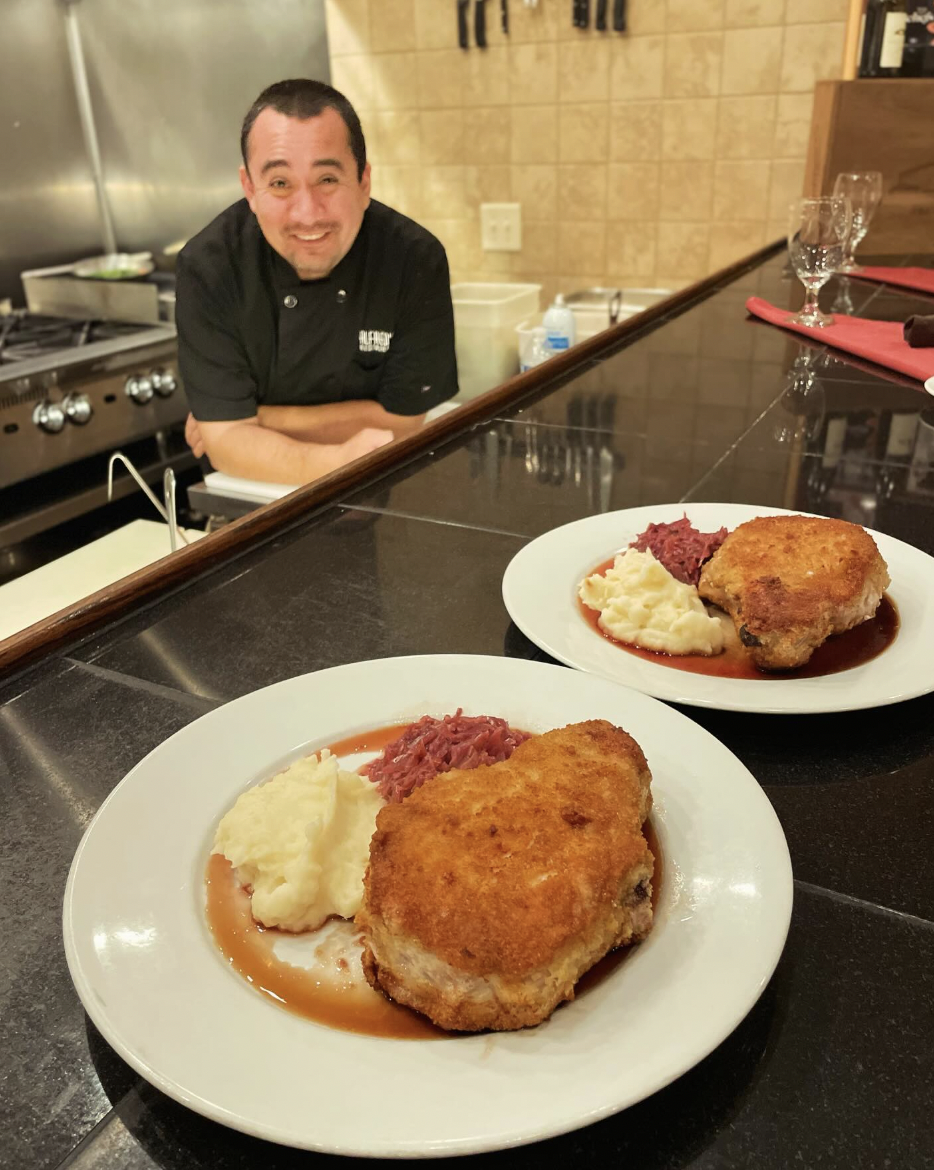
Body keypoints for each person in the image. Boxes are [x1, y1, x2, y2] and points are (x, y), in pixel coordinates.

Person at [176, 78, 457, 484]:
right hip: (250, 503)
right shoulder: (210, 268)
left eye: (327, 179)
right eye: (279, 183)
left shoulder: (413, 259)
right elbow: (224, 447)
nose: (307, 214)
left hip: (382, 489)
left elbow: (403, 422)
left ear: (363, 182)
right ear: (249, 189)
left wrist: (258, 421)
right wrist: (338, 460)